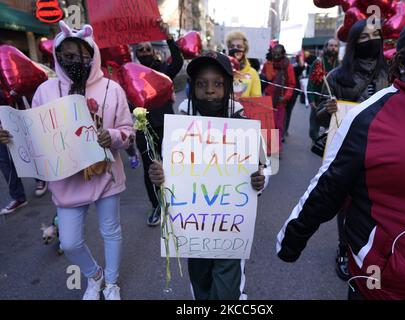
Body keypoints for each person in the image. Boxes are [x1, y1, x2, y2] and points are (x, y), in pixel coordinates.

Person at [277, 8, 405, 299]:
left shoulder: (383, 72)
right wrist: (293, 239)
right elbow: (329, 185)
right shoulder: (364, 109)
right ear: (404, 61)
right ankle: (345, 251)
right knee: (349, 204)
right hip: (386, 286)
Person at [0, 21, 134, 300]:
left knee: (111, 231)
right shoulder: (45, 92)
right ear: (58, 56)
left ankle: (111, 283)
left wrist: (112, 136)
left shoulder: (112, 89)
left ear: (92, 54)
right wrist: (10, 136)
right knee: (70, 242)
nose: (74, 61)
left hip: (105, 176)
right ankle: (94, 276)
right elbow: (32, 133)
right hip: (66, 181)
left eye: (81, 55)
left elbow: (128, 131)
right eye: (67, 55)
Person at [149, 51, 269, 300]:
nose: (210, 91)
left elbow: (264, 164)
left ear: (228, 87)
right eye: (202, 84)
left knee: (227, 289)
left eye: (218, 84)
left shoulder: (243, 122)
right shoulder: (180, 124)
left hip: (231, 227)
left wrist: (261, 178)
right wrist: (159, 175)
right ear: (193, 88)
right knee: (200, 282)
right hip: (194, 228)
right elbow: (168, 169)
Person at [315, 19, 390, 281]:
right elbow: (320, 116)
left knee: (377, 203)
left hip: (384, 149)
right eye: (364, 37)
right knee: (346, 204)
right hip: (347, 151)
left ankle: (375, 250)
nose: (371, 40)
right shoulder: (336, 77)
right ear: (355, 42)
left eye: (375, 35)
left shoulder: (391, 72)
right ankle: (345, 249)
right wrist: (328, 110)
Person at [133, 20, 184, 227]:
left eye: (147, 49)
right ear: (137, 54)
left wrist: (168, 37)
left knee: (169, 166)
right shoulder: (129, 73)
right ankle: (156, 205)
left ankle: (172, 201)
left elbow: (178, 63)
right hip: (143, 127)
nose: (144, 52)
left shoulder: (162, 70)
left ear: (153, 52)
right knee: (149, 168)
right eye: (141, 50)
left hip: (165, 125)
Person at [261, 44, 296, 155]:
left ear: (283, 54)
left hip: (280, 102)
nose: (275, 56)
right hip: (267, 100)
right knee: (267, 124)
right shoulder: (267, 64)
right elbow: (264, 78)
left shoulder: (287, 66)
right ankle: (267, 147)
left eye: (278, 54)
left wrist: (285, 97)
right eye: (274, 54)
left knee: (277, 125)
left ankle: (276, 148)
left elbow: (291, 83)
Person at [306, 39, 339, 143]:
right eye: (331, 45)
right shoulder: (318, 62)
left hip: (332, 99)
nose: (333, 48)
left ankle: (326, 142)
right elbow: (310, 82)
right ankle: (315, 140)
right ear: (326, 47)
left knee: (331, 123)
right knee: (314, 125)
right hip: (317, 98)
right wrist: (311, 99)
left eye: (335, 46)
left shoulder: (340, 63)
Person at [226, 31, 262, 98]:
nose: (235, 49)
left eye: (239, 47)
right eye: (232, 46)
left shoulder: (253, 73)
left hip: (245, 108)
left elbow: (256, 100)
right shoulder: (222, 69)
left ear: (245, 49)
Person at [283, 52, 305, 140]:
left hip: (292, 95)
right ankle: (281, 131)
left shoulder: (294, 68)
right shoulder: (280, 67)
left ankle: (284, 131)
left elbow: (301, 66)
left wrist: (299, 56)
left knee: (287, 113)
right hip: (280, 94)